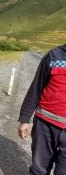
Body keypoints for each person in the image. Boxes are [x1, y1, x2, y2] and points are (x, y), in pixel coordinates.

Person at [18, 45, 66, 175]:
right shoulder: (54, 55)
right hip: (45, 124)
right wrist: (24, 119)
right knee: (39, 170)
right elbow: (36, 87)